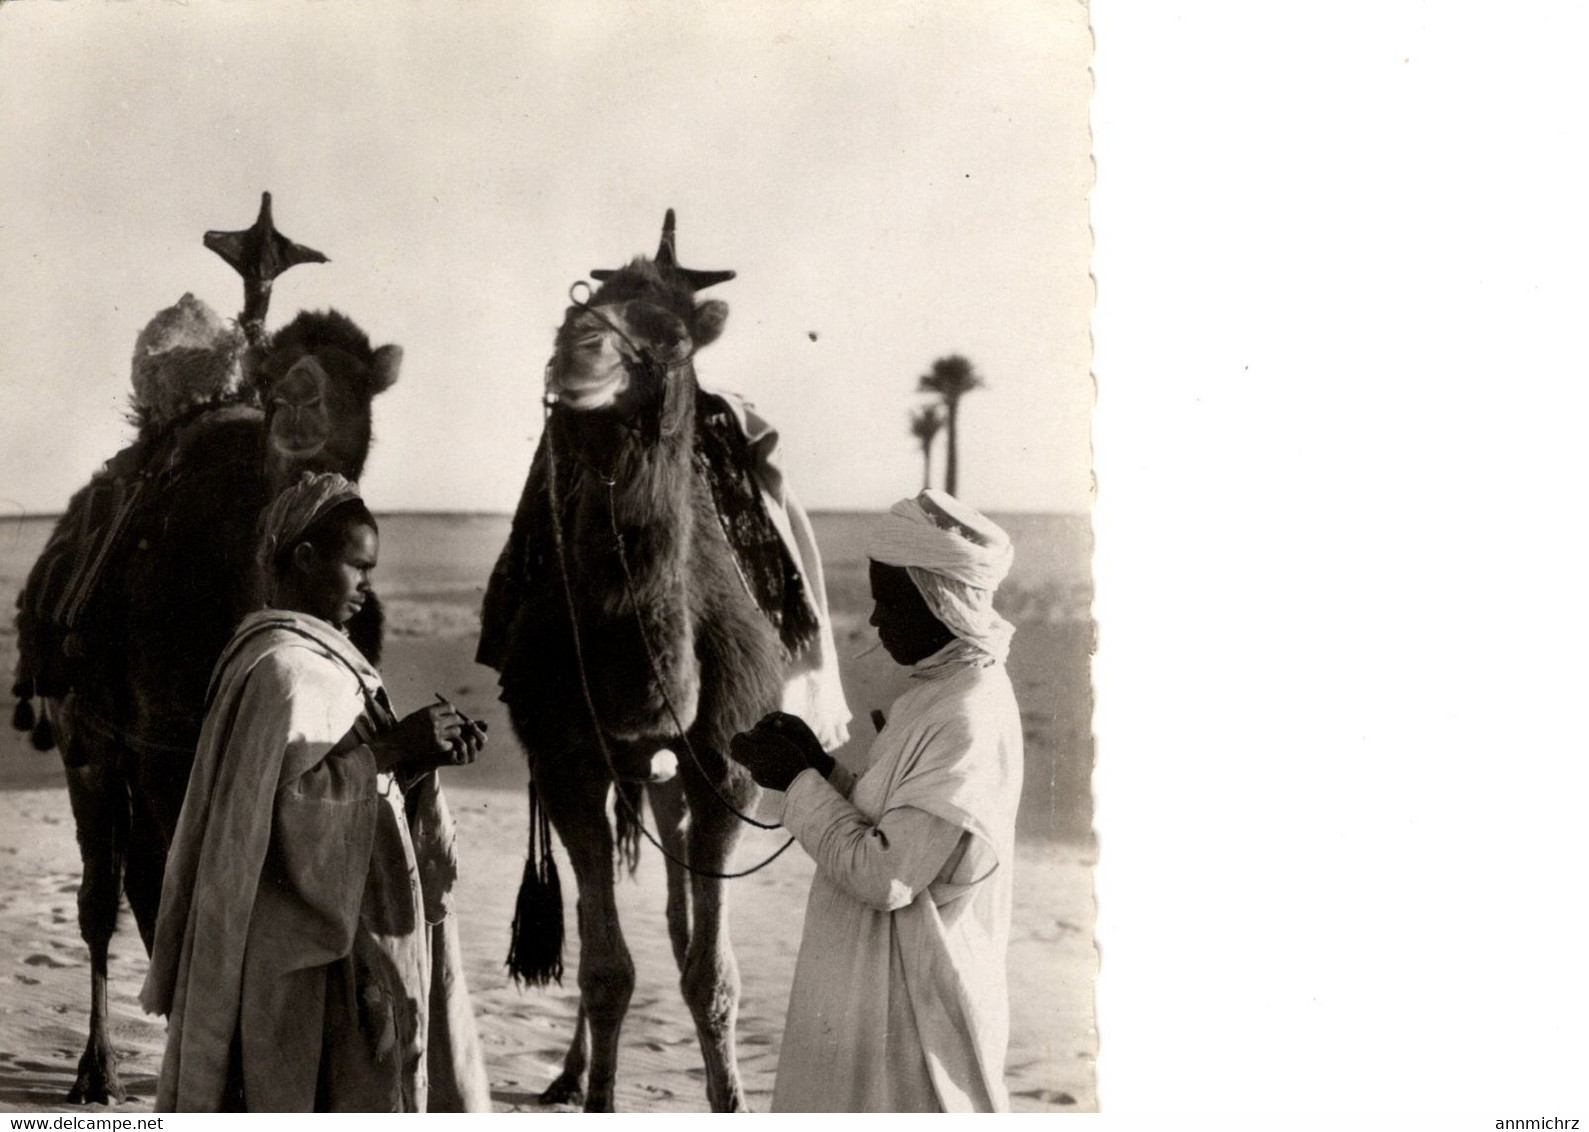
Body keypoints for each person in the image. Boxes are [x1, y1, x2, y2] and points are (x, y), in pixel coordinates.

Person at [140, 471, 493, 1112]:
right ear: (305, 558)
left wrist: (416, 764)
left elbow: (359, 794)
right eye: (356, 567)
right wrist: (393, 749)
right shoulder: (280, 671)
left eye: (372, 570)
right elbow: (285, 818)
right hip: (298, 965)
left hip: (355, 953)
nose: (367, 586)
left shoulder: (327, 662)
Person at [730, 489, 1024, 1112]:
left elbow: (887, 874)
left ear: (940, 601)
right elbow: (889, 820)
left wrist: (801, 784)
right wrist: (816, 766)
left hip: (915, 1010)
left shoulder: (967, 713)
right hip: (874, 993)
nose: (875, 622)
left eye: (890, 602)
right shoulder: (939, 694)